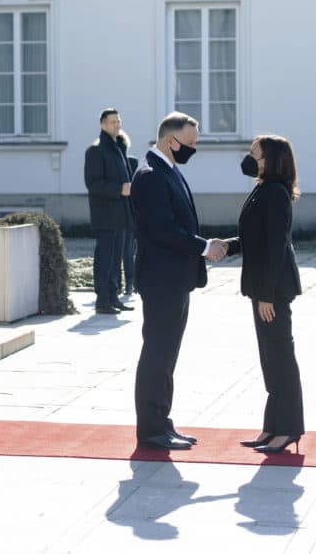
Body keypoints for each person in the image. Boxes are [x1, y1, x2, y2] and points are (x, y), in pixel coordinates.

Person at [129, 112, 225, 450]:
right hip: (161, 280)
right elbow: (163, 229)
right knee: (157, 352)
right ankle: (151, 428)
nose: (193, 150)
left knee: (166, 354)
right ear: (172, 140)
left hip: (174, 279)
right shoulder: (151, 174)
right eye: (191, 144)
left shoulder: (168, 169)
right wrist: (204, 247)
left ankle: (162, 422)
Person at [221, 135, 305, 454]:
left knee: (281, 357)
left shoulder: (276, 194)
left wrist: (267, 295)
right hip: (262, 288)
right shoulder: (263, 189)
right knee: (269, 359)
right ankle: (272, 427)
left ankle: (289, 429)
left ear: (269, 160)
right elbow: (253, 238)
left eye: (254, 154)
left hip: (273, 290)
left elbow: (276, 247)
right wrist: (227, 246)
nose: (248, 158)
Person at [83, 109, 134, 315]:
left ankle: (113, 297)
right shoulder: (96, 150)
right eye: (112, 122)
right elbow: (93, 184)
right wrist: (118, 189)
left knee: (116, 259)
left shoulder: (118, 148)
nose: (117, 125)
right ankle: (102, 300)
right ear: (103, 124)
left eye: (118, 121)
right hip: (105, 215)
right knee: (105, 258)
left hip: (121, 214)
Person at [116, 128, 138, 296]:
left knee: (126, 251)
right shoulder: (112, 163)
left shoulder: (131, 162)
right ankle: (122, 284)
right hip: (119, 213)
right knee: (121, 252)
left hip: (128, 213)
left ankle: (129, 283)